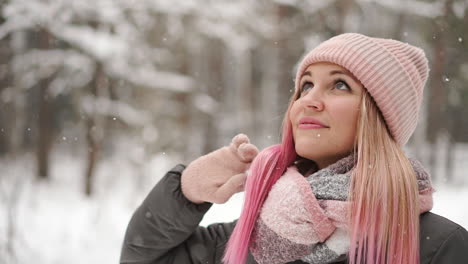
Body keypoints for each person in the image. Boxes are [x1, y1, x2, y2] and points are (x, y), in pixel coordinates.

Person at [119, 33, 468, 264]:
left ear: (379, 117)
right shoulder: (255, 237)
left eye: (340, 85)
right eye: (305, 86)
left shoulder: (437, 246)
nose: (309, 101)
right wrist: (185, 192)